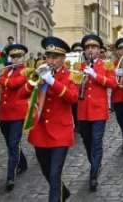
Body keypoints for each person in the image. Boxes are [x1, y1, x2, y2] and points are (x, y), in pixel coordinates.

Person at [23, 37, 80, 201]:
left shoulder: (71, 76)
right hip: (40, 131)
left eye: (55, 57)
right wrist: (34, 78)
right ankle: (64, 192)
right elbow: (22, 95)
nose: (51, 60)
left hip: (60, 132)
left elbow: (73, 98)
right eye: (48, 56)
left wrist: (52, 81)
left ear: (63, 59)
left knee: (55, 173)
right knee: (46, 170)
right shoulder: (40, 73)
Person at [76, 34, 115, 191]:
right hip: (83, 111)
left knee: (96, 141)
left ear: (99, 50)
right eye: (87, 48)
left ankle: (94, 174)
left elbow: (113, 83)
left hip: (98, 111)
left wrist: (95, 75)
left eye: (94, 47)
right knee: (87, 141)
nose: (90, 50)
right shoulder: (78, 67)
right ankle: (94, 163)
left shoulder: (107, 66)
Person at [0, 44, 30, 191]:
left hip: (17, 113)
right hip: (4, 113)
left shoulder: (26, 71)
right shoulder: (6, 71)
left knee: (13, 143)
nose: (16, 59)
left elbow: (15, 84)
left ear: (24, 57)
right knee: (11, 144)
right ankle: (22, 162)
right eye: (14, 57)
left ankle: (10, 177)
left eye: (19, 57)